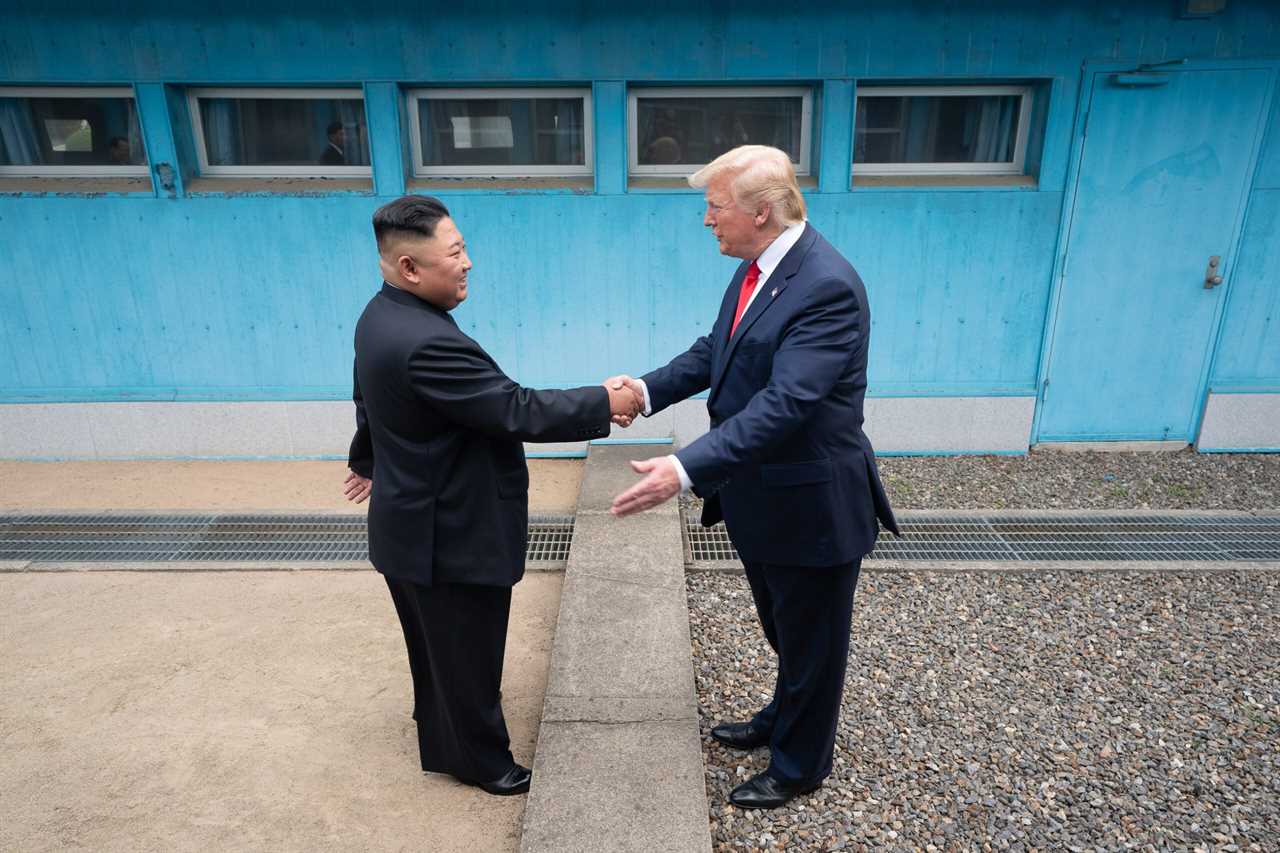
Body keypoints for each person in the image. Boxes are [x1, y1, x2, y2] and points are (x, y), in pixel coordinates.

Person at [607, 145, 899, 809]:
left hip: (812, 506)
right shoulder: (759, 267)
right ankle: (780, 716)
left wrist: (684, 467)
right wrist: (644, 392)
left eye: (715, 208)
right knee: (786, 628)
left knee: (814, 642)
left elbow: (786, 404)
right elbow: (719, 350)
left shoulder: (826, 285)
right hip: (763, 498)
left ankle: (800, 764)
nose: (707, 221)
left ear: (761, 212)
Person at [344, 195, 641, 796]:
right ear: (409, 267)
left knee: (438, 649)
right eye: (455, 254)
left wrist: (368, 459)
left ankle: (447, 735)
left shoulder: (380, 316)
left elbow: (370, 397)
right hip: (448, 531)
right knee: (467, 652)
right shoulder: (427, 339)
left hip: (412, 524)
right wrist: (605, 401)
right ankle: (484, 762)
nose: (468, 263)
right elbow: (513, 408)